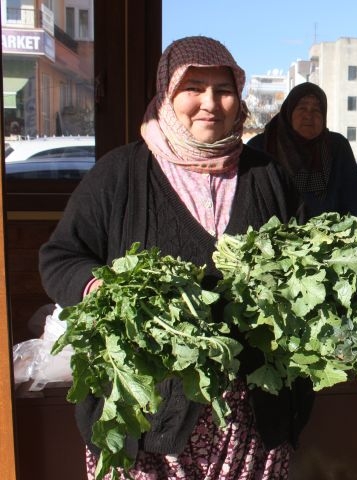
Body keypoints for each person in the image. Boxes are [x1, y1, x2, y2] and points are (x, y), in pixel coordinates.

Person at [39, 36, 311, 479]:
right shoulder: (120, 174)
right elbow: (61, 256)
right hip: (147, 415)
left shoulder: (268, 177)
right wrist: (104, 289)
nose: (210, 103)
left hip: (250, 423)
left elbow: (303, 264)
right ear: (167, 92)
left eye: (223, 89)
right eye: (194, 87)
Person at [247, 82, 357, 218]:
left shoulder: (337, 146)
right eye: (302, 108)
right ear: (289, 111)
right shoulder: (262, 146)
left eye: (316, 110)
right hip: (272, 235)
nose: (309, 115)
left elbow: (355, 203)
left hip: (330, 236)